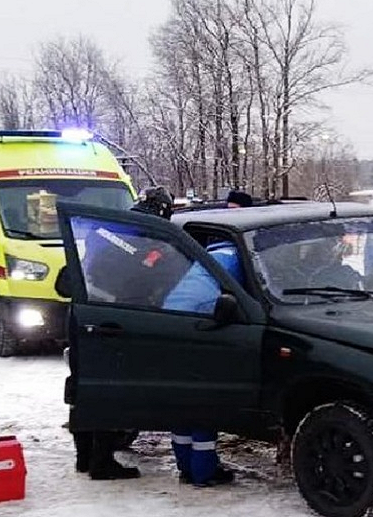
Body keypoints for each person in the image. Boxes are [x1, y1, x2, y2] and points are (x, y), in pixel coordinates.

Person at [70, 187, 180, 480]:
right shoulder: (151, 238)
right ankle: (102, 462)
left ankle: (84, 456)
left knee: (84, 385)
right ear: (162, 211)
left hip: (83, 311)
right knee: (111, 391)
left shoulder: (105, 225)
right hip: (116, 318)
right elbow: (163, 279)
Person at [162, 240, 244, 487]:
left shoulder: (206, 257)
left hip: (169, 324)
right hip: (203, 326)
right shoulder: (240, 259)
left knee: (183, 406)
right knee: (204, 407)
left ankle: (186, 468)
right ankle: (204, 473)